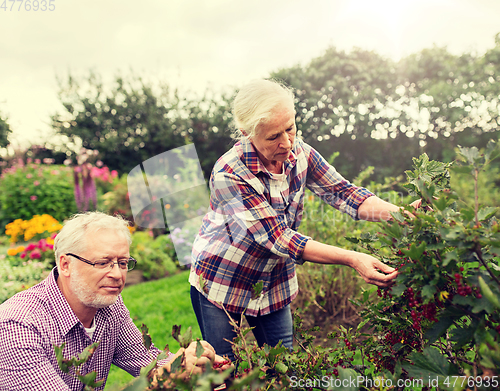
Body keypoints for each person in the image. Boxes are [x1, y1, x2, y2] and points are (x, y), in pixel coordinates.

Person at [189, 79, 419, 362]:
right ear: (246, 133)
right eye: (273, 137)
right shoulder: (229, 173)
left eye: (290, 128)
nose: (287, 143)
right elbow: (278, 237)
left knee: (284, 367)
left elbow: (344, 193)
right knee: (221, 369)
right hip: (223, 280)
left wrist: (402, 214)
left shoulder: (301, 153)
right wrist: (352, 258)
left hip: (273, 280)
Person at [0, 212, 231, 391]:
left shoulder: (108, 305)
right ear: (65, 265)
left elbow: (146, 360)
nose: (117, 275)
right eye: (103, 262)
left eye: (122, 263)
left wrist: (192, 363)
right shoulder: (18, 327)